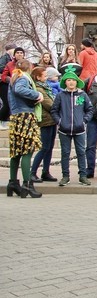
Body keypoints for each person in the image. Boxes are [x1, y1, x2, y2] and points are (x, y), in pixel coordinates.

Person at [5, 59, 43, 198]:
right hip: (25, 116)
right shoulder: (23, 78)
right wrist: (37, 95)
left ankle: (13, 183)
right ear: (30, 67)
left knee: (16, 152)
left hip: (16, 116)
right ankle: (27, 185)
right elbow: (19, 90)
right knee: (27, 150)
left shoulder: (15, 77)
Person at [50, 67, 94, 187]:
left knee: (81, 152)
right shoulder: (60, 95)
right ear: (65, 82)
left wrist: (84, 121)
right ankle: (65, 176)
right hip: (64, 130)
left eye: (73, 80)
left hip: (80, 129)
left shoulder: (82, 95)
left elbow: (90, 109)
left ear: (76, 82)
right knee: (65, 153)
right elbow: (54, 110)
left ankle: (83, 175)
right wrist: (60, 122)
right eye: (68, 80)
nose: (71, 82)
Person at [28, 66, 59, 183]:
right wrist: (58, 107)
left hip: (52, 120)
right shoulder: (39, 89)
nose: (46, 78)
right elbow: (49, 104)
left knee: (49, 147)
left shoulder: (46, 87)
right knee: (44, 147)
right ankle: (32, 172)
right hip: (46, 121)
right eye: (44, 76)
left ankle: (46, 171)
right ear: (38, 77)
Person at [0, 46, 24, 129]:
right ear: (14, 55)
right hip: (9, 87)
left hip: (23, 87)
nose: (19, 54)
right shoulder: (10, 64)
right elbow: (3, 76)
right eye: (17, 53)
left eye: (21, 53)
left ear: (24, 54)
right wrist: (10, 79)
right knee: (8, 104)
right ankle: (3, 120)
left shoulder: (27, 64)